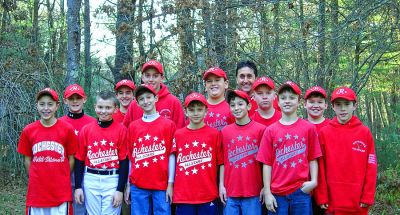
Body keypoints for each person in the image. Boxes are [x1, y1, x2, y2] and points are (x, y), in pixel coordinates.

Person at [257, 81, 321, 214]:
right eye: (283, 98)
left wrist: (314, 181)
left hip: (301, 191)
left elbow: (313, 157)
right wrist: (268, 192)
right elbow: (267, 164)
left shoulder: (308, 128)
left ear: (299, 101)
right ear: (278, 102)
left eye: (292, 98)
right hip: (277, 193)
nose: (287, 101)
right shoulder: (270, 131)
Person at [315, 86, 378, 215]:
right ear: (332, 107)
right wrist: (322, 195)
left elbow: (371, 166)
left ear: (354, 105)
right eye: (338, 105)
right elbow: (320, 167)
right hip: (333, 203)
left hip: (358, 202)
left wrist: (368, 196)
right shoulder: (324, 133)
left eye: (347, 104)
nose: (343, 109)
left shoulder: (364, 132)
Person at [17, 88, 77, 215]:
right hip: (37, 191)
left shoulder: (67, 129)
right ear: (36, 106)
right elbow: (27, 159)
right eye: (42, 104)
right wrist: (35, 177)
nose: (46, 108)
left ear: (57, 106)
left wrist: (63, 176)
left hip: (61, 192)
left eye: (50, 104)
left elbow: (71, 158)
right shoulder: (28, 130)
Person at [74, 91, 129, 215]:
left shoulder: (121, 130)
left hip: (112, 179)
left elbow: (124, 161)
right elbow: (79, 159)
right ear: (95, 107)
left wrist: (120, 189)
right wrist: (78, 186)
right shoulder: (86, 130)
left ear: (115, 108)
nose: (103, 111)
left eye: (108, 107)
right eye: (100, 107)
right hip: (91, 178)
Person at [125, 84, 176, 215]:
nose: (145, 101)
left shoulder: (168, 125)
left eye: (148, 97)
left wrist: (170, 183)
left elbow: (171, 155)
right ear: (137, 103)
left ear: (156, 98)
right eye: (141, 99)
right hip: (138, 184)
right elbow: (131, 157)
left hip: (161, 184)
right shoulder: (133, 127)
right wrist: (129, 184)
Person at [172, 92, 223, 215]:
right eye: (191, 109)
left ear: (206, 111)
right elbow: (173, 162)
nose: (195, 113)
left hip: (207, 193)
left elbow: (220, 163)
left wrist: (221, 184)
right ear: (186, 111)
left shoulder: (214, 134)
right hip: (184, 195)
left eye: (199, 110)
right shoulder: (178, 134)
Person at [219, 89, 266, 215]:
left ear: (249, 106)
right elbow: (222, 161)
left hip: (253, 192)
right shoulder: (225, 132)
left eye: (240, 104)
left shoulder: (260, 130)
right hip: (231, 192)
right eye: (233, 105)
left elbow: (266, 163)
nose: (236, 108)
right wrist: (221, 186)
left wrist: (265, 187)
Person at [59, 83, 96, 215]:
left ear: (84, 99)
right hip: (66, 172)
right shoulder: (59, 123)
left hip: (88, 172)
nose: (75, 101)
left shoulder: (93, 122)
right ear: (65, 101)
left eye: (78, 98)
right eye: (71, 98)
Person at [123, 60, 185, 128]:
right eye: (147, 75)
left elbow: (180, 132)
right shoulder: (135, 104)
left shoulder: (174, 102)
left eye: (155, 76)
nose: (151, 79)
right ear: (143, 77)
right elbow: (126, 131)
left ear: (162, 78)